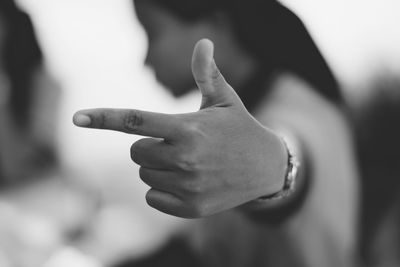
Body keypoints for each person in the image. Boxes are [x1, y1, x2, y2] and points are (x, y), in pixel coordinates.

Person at [74, 0, 359, 266]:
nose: (145, 60)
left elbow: (292, 151)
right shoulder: (252, 111)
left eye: (153, 33)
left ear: (217, 26)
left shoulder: (301, 108)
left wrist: (272, 166)